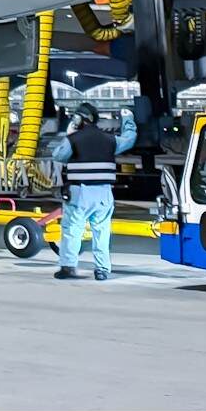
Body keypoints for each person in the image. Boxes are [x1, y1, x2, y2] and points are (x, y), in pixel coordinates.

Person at [49, 103, 136, 280]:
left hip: (80, 192)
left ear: (80, 119)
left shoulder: (73, 139)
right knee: (102, 231)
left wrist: (69, 134)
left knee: (73, 229)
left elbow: (58, 155)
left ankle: (68, 267)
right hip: (104, 192)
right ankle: (102, 270)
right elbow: (129, 138)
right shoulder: (110, 140)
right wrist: (128, 119)